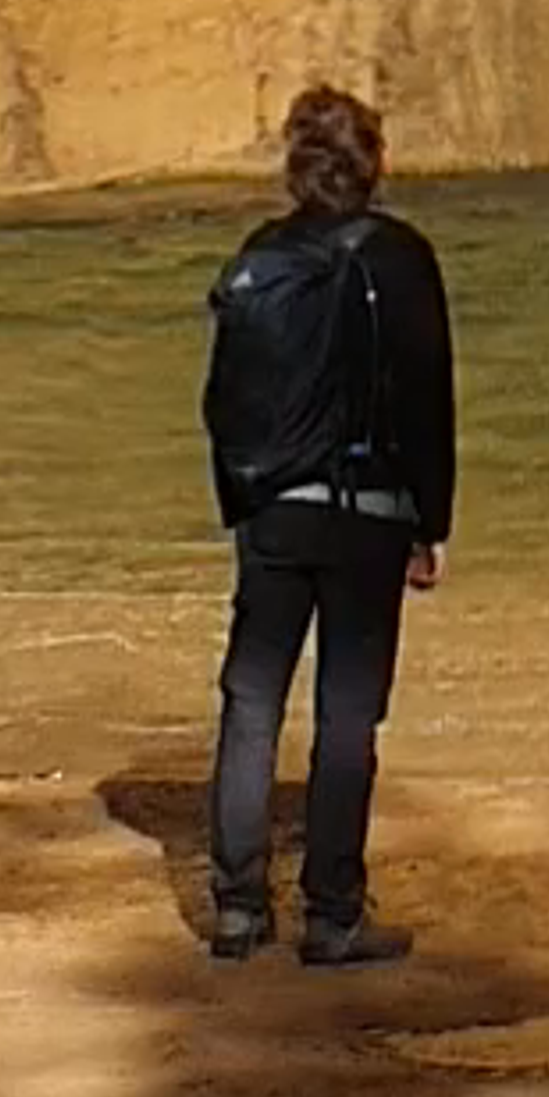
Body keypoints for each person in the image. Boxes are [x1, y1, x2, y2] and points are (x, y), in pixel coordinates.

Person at [200, 79, 458, 967]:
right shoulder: (403, 256)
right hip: (368, 516)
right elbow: (428, 400)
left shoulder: (257, 256)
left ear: (295, 167)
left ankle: (237, 909)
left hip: (272, 512)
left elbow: (221, 400)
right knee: (347, 712)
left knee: (250, 700)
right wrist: (433, 521)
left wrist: (242, 502)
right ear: (375, 162)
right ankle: (332, 914)